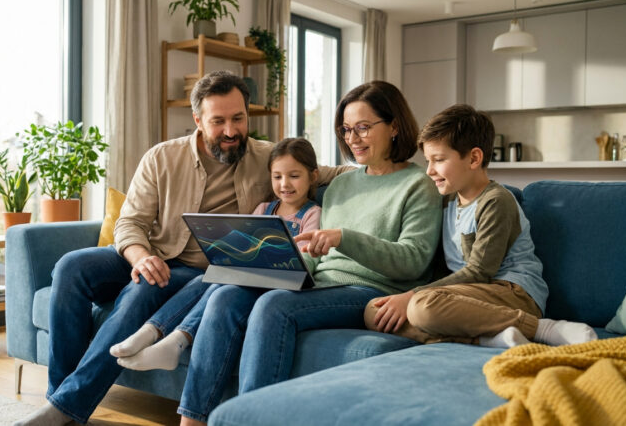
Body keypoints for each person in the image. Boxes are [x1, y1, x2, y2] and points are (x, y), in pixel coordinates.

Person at [13, 71, 347, 426]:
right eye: (218, 121)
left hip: (200, 271)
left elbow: (328, 172)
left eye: (238, 118)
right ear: (198, 120)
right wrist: (140, 257)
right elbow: (130, 223)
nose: (231, 131)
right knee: (70, 267)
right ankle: (59, 394)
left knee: (139, 295)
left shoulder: (268, 159)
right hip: (152, 252)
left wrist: (392, 170)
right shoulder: (161, 158)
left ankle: (64, 410)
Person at [176, 80, 443, 426]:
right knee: (227, 295)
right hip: (321, 283)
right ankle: (192, 420)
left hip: (373, 290)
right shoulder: (342, 184)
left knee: (275, 306)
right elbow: (316, 254)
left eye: (363, 127)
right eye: (346, 130)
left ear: (394, 126)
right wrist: (283, 265)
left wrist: (344, 238)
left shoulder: (418, 185)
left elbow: (413, 260)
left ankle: (248, 420)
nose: (353, 138)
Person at [364, 104, 597, 348]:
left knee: (422, 307)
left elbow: (479, 272)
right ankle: (486, 338)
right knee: (374, 311)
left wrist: (412, 296)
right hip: (464, 297)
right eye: (428, 161)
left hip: (512, 293)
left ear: (474, 158)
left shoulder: (496, 200)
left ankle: (541, 328)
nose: (430, 170)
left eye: (439, 160)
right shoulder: (446, 200)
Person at [112, 137, 323, 372]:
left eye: (294, 176)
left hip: (282, 281)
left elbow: (307, 258)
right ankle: (152, 332)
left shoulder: (312, 214)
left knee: (221, 285)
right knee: (207, 279)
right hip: (253, 273)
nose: (285, 184)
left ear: (312, 177)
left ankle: (174, 340)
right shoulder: (264, 209)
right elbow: (245, 242)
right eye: (277, 177)